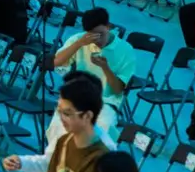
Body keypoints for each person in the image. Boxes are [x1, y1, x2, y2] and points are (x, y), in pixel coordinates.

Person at [4, 71, 118, 172]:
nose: (61, 118)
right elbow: (50, 163)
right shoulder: (64, 138)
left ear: (87, 115)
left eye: (67, 113)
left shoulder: (105, 151)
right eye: (59, 111)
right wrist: (22, 162)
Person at [52, 8, 134, 138]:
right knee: (59, 126)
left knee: (101, 128)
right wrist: (79, 44)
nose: (97, 40)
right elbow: (56, 62)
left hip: (106, 101)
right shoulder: (79, 40)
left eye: (100, 34)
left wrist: (105, 68)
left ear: (108, 27)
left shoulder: (126, 50)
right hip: (78, 96)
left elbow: (117, 89)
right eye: (92, 35)